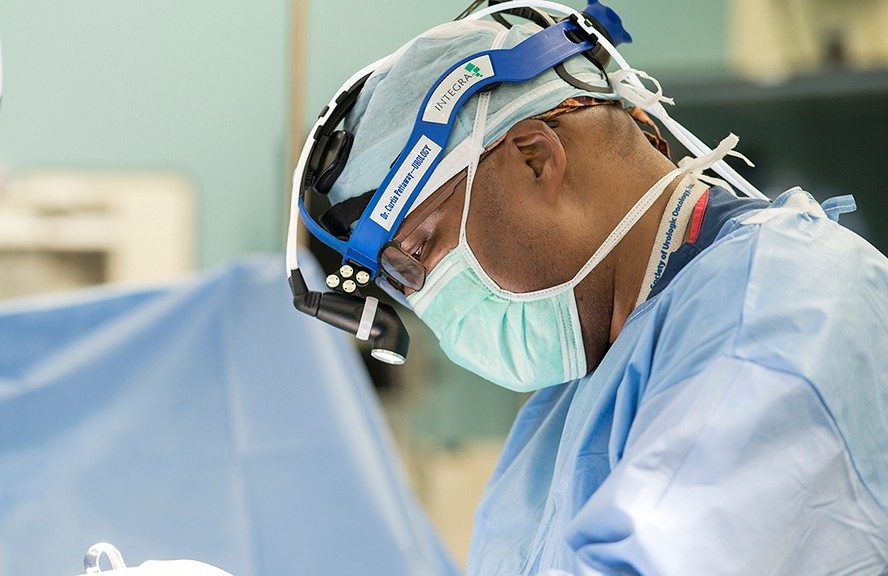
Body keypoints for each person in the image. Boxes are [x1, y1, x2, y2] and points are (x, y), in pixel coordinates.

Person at [300, 13, 888, 576]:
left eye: (423, 247)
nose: (428, 299)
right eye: (403, 279)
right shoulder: (561, 414)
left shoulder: (780, 305)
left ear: (535, 159)